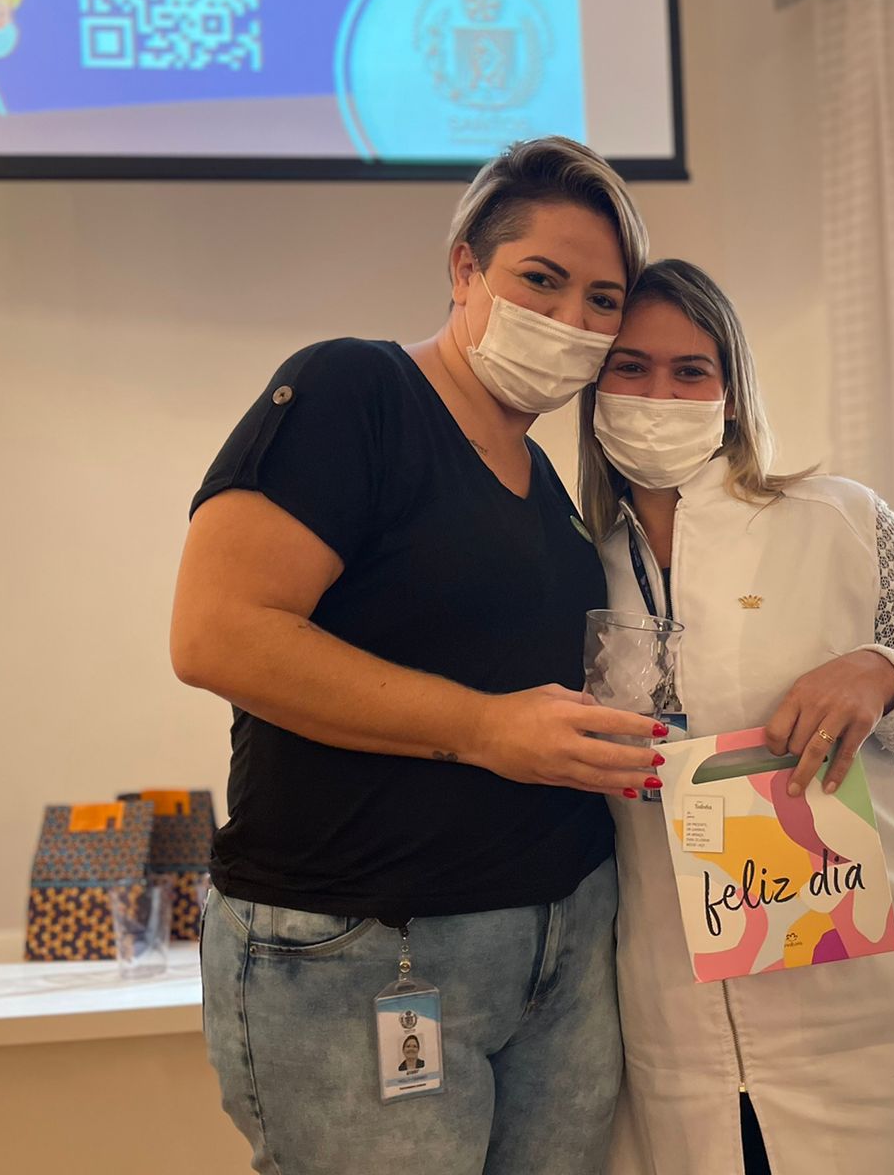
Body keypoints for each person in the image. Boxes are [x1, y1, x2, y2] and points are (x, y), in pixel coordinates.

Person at [170, 137, 660, 1175]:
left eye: (603, 301)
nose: (571, 320)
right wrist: (482, 728)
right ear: (464, 268)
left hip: (562, 947)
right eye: (542, 280)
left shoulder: (544, 479)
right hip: (365, 951)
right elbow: (217, 632)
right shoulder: (356, 390)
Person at [579, 259, 894, 1175]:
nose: (658, 394)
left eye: (690, 371)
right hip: (679, 1035)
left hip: (876, 1018)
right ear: (593, 385)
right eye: (630, 367)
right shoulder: (569, 559)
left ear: (732, 393)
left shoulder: (839, 520)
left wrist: (884, 674)